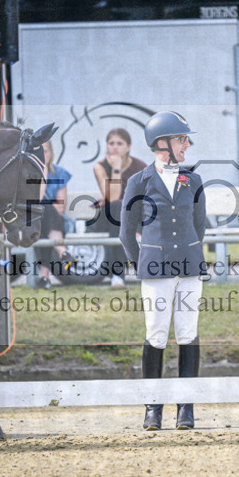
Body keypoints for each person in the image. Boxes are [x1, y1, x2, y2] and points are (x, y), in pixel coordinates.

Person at [120, 111, 207, 430]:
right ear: (162, 143)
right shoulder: (138, 181)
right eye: (181, 139)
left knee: (187, 333)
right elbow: (126, 232)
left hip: (190, 268)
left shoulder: (193, 180)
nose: (187, 145)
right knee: (156, 335)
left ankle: (186, 408)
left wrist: (190, 254)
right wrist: (142, 264)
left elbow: (200, 226)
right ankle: (152, 408)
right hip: (155, 271)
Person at [91, 128, 146, 289]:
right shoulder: (100, 167)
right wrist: (116, 168)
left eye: (119, 143)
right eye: (111, 143)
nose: (115, 147)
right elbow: (113, 197)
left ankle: (117, 275)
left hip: (134, 217)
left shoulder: (140, 167)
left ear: (128, 146)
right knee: (116, 207)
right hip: (108, 218)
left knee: (121, 211)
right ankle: (118, 274)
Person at [35, 141, 74, 288]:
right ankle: (62, 251)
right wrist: (43, 174)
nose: (42, 156)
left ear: (51, 154)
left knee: (47, 210)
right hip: (33, 221)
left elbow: (60, 208)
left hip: (55, 221)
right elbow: (36, 200)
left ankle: (44, 277)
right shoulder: (27, 174)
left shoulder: (59, 173)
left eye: (45, 151)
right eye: (38, 152)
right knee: (43, 209)